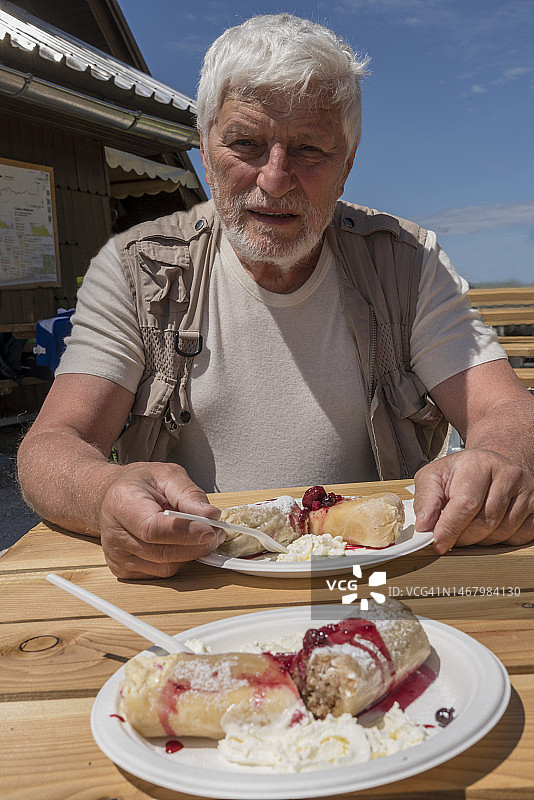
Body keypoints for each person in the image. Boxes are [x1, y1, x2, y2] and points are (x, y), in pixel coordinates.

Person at [17, 14, 534, 579]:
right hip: (197, 582)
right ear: (206, 151)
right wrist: (105, 493)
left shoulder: (405, 263)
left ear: (347, 164)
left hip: (371, 579)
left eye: (310, 149)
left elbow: (503, 407)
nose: (275, 177)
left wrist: (499, 460)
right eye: (246, 143)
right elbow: (52, 445)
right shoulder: (138, 271)